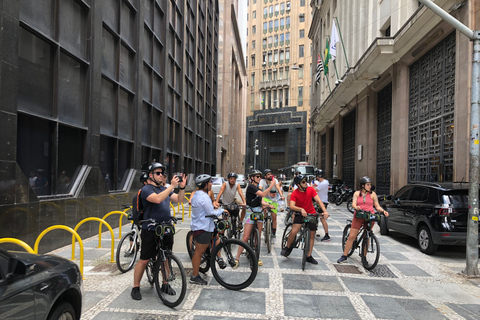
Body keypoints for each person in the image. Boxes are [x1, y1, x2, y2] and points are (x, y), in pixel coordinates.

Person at [131, 163, 186, 300]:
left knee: (166, 257)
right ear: (151, 175)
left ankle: (165, 283)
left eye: (162, 173)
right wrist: (172, 186)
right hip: (150, 229)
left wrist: (182, 187)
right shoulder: (146, 189)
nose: (161, 175)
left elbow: (179, 199)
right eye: (158, 173)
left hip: (165, 228)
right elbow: (157, 199)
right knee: (144, 259)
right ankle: (135, 287)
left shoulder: (164, 188)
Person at [337, 176, 388, 264]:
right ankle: (344, 255)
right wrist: (356, 207)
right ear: (363, 185)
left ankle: (364, 257)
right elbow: (353, 204)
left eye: (370, 185)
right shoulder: (357, 193)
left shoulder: (373, 194)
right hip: (359, 216)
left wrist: (383, 211)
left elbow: (377, 206)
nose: (369, 186)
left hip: (369, 216)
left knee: (367, 236)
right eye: (368, 185)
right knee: (352, 236)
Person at [281, 174, 329, 265]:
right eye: (303, 182)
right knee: (294, 231)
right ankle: (287, 246)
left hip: (311, 213)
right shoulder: (295, 193)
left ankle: (309, 255)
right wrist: (300, 209)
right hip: (299, 213)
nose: (306, 183)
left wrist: (325, 211)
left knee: (312, 234)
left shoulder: (310, 190)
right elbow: (291, 206)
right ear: (298, 185)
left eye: (306, 181)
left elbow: (318, 201)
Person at [189, 174, 227, 285]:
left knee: (216, 237)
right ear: (204, 185)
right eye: (209, 182)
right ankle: (194, 276)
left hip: (202, 225)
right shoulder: (204, 197)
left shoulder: (197, 194)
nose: (211, 184)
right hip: (203, 227)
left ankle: (217, 256)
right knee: (198, 253)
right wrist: (222, 211)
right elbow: (211, 212)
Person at [235, 169, 275, 267]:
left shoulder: (257, 187)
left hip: (259, 212)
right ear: (252, 178)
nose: (259, 178)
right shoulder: (251, 187)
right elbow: (263, 194)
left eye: (260, 177)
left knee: (258, 236)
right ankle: (237, 258)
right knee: (245, 237)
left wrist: (269, 205)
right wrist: (272, 185)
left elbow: (261, 200)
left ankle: (256, 256)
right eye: (257, 176)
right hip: (250, 212)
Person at [258, 169, 285, 243]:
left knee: (274, 218)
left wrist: (281, 195)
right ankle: (265, 222)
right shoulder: (262, 181)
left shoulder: (275, 180)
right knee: (265, 211)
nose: (270, 175)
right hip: (265, 200)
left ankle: (273, 235)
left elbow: (278, 188)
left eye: (271, 174)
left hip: (273, 201)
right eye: (268, 174)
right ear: (265, 176)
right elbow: (260, 189)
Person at [311, 170, 330, 241]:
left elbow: (313, 190)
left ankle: (327, 235)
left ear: (319, 176)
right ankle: (314, 230)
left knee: (322, 218)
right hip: (321, 201)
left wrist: (312, 185)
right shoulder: (325, 182)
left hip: (322, 202)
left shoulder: (323, 184)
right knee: (317, 216)